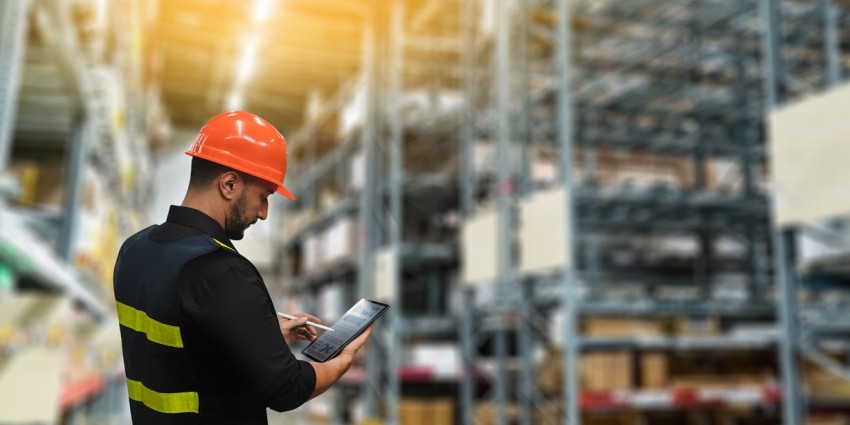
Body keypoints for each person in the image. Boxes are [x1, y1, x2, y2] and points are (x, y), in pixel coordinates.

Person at [113, 111, 371, 424]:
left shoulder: (134, 249)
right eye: (263, 196)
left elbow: (181, 347)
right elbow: (286, 388)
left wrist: (257, 338)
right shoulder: (222, 271)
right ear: (230, 184)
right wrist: (343, 360)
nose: (263, 213)